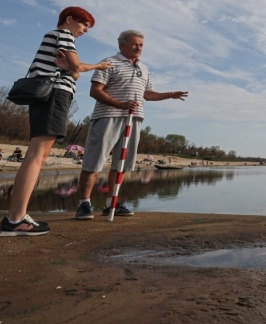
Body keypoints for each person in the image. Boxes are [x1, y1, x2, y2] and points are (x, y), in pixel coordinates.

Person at [0, 7, 110, 237]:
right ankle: (16, 219)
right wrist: (82, 67)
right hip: (54, 95)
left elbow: (75, 72)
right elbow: (76, 68)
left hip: (50, 95)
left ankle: (15, 216)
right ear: (69, 19)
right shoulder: (63, 35)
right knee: (37, 156)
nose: (86, 30)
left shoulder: (55, 38)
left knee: (37, 155)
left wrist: (75, 67)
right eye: (84, 24)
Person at [75, 30, 188, 220]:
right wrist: (120, 104)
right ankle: (84, 204)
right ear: (122, 45)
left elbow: (148, 94)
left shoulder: (144, 68)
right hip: (107, 116)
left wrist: (170, 94)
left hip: (134, 118)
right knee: (93, 162)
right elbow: (95, 91)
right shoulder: (109, 62)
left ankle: (112, 202)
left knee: (121, 164)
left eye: (141, 45)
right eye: (135, 44)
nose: (139, 48)